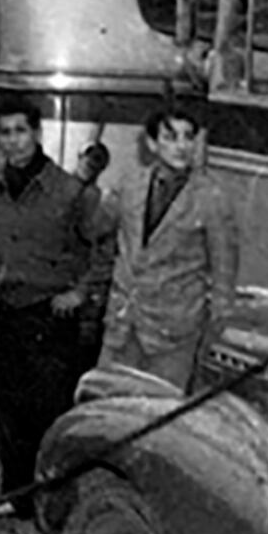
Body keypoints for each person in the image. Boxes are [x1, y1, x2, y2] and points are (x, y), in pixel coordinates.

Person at [0, 97, 112, 519]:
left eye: (21, 131)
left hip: (52, 318)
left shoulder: (70, 192)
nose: (14, 141)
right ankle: (15, 495)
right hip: (8, 315)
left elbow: (104, 249)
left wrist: (81, 292)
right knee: (8, 409)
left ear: (37, 133)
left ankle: (53, 500)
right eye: (5, 132)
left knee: (50, 410)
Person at [101, 104, 238, 386]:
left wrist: (209, 332)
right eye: (170, 137)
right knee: (105, 412)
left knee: (159, 418)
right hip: (122, 325)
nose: (181, 146)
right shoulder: (129, 185)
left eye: (188, 137)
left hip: (173, 334)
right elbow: (96, 231)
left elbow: (224, 276)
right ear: (152, 143)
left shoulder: (211, 198)